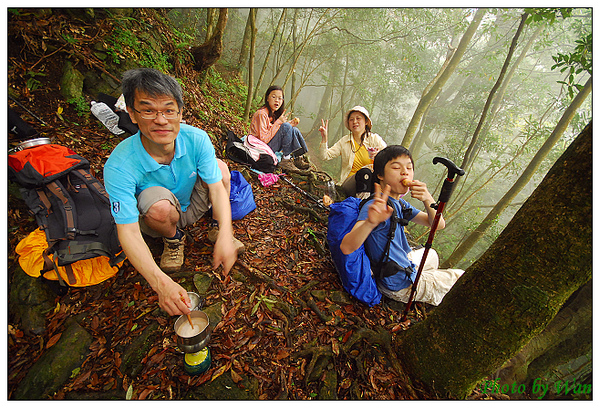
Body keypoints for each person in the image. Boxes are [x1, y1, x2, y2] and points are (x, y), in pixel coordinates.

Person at [104, 68, 244, 316]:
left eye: (169, 110)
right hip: (159, 214)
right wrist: (160, 283)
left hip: (193, 203)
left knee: (221, 170)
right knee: (158, 206)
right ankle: (173, 239)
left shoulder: (197, 139)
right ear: (132, 114)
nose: (161, 120)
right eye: (148, 110)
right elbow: (127, 231)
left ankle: (214, 227)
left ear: (180, 112)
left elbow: (217, 189)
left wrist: (226, 232)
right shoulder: (119, 164)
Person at [340, 145, 463, 306]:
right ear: (379, 175)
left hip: (403, 263)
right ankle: (429, 284)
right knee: (461, 276)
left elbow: (438, 224)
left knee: (431, 254)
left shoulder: (400, 204)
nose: (405, 172)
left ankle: (431, 281)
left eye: (409, 168)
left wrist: (428, 199)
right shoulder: (376, 205)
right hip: (397, 284)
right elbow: (347, 247)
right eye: (396, 167)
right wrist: (371, 222)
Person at [319, 106, 387, 197]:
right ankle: (362, 206)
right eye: (351, 119)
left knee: (371, 176)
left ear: (366, 122)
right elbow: (325, 156)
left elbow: (389, 158)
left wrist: (379, 156)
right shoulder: (344, 141)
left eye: (358, 118)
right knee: (365, 173)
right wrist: (324, 138)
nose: (355, 122)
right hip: (349, 185)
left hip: (372, 185)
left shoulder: (374, 140)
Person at [249, 85, 309, 172]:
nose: (277, 100)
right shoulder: (261, 114)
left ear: (282, 101)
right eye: (273, 97)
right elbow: (263, 139)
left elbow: (273, 130)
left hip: (267, 145)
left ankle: (297, 158)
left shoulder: (273, 114)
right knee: (286, 126)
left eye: (280, 98)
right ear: (267, 98)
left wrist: (288, 125)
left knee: (293, 129)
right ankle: (285, 160)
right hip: (260, 148)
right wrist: (279, 123)